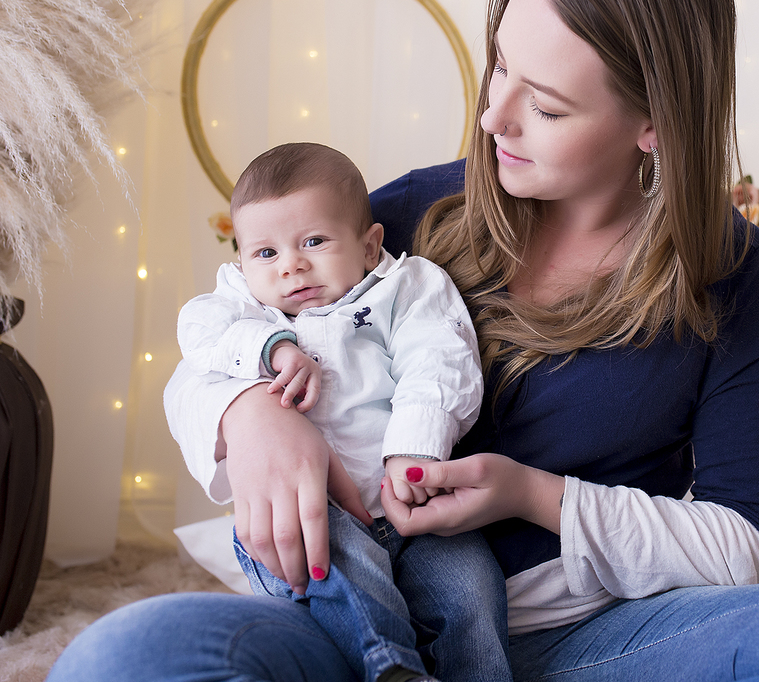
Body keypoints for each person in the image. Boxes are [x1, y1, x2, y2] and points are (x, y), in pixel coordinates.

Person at [49, 0, 759, 681]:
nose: (493, 116)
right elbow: (211, 345)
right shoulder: (402, 218)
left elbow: (748, 550)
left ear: (654, 123)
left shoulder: (730, 271)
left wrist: (534, 496)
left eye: (545, 104)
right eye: (499, 66)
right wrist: (247, 414)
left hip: (588, 640)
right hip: (361, 617)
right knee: (120, 658)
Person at [170, 142, 509, 682]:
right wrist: (271, 347)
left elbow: (439, 360)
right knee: (339, 580)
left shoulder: (403, 288)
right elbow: (197, 331)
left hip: (412, 504)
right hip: (310, 509)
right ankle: (390, 668)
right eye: (265, 253)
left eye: (313, 241)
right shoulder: (242, 305)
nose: (291, 266)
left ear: (370, 246)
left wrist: (415, 449)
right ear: (241, 261)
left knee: (472, 591)